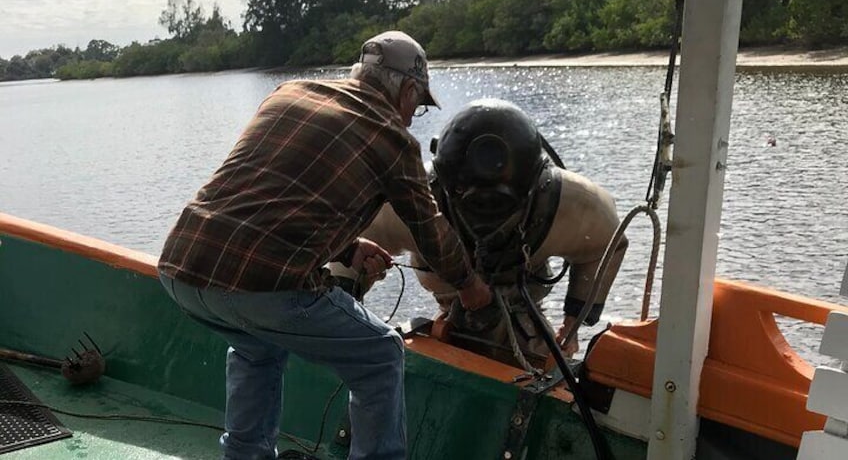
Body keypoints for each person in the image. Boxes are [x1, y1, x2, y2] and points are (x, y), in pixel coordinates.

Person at [157, 30, 492, 460]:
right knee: (380, 354)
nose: (413, 117)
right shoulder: (393, 139)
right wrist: (468, 285)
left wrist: (348, 250)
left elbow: (271, 200)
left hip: (180, 267)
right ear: (408, 90)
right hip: (261, 285)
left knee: (257, 347)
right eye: (419, 103)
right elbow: (431, 230)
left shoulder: (289, 93)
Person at [332, 99, 628, 368]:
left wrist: (573, 324)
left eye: (502, 205)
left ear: (535, 184)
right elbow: (349, 246)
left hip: (527, 327)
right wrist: (342, 312)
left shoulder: (578, 204)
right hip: (447, 323)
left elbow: (606, 245)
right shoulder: (408, 199)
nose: (486, 212)